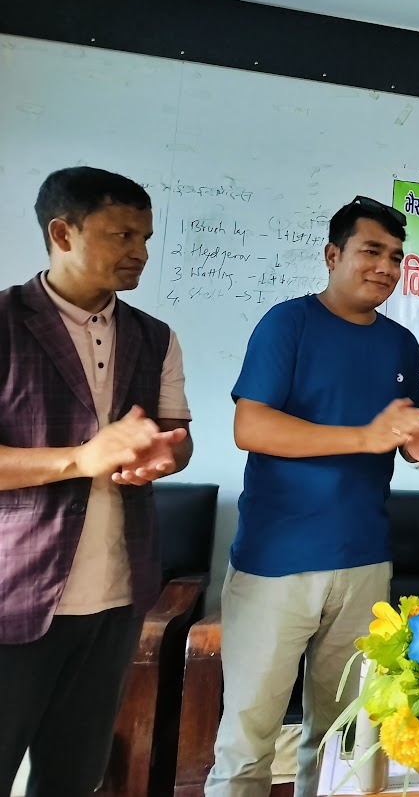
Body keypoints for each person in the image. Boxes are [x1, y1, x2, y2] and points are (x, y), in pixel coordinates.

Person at [206, 196, 419, 797]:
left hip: (364, 560)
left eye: (396, 257)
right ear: (332, 254)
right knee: (247, 743)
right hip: (276, 562)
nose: (386, 268)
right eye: (371, 251)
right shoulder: (287, 323)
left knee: (344, 741)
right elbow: (252, 427)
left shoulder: (401, 343)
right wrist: (364, 436)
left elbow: (403, 436)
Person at [0, 167, 193, 797]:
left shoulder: (154, 337)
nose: (140, 252)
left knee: (74, 776)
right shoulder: (5, 322)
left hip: (116, 595)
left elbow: (179, 438)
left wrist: (165, 455)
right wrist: (79, 459)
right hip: (15, 593)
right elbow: (82, 457)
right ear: (63, 233)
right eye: (122, 235)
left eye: (145, 238)